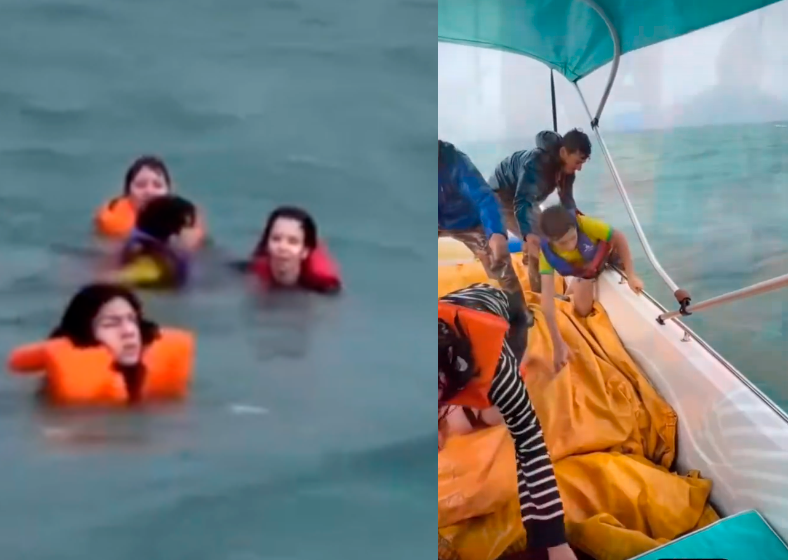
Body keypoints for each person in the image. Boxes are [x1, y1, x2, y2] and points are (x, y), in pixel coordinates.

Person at [439, 283, 576, 560]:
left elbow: (530, 442)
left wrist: (554, 541)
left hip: (510, 318)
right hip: (452, 316)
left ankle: (482, 396)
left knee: (493, 416)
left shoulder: (496, 368)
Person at [6, 283, 194, 406]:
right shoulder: (58, 394)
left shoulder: (155, 378)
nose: (128, 331)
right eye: (111, 324)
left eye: (132, 320)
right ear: (85, 334)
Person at [538, 205, 643, 372]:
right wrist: (557, 345)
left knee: (584, 305)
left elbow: (619, 237)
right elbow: (546, 302)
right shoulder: (546, 253)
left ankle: (574, 289)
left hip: (604, 256)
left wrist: (631, 275)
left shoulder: (586, 224)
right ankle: (575, 288)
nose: (570, 244)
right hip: (584, 271)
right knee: (583, 310)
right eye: (563, 243)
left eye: (572, 238)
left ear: (575, 227)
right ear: (551, 241)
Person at [489, 129, 592, 293]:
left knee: (548, 231)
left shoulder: (568, 170)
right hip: (501, 196)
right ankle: (539, 293)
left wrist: (577, 223)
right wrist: (527, 234)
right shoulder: (536, 163)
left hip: (528, 198)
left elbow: (567, 200)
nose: (579, 168)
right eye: (578, 162)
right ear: (564, 152)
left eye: (582, 163)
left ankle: (528, 257)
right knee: (537, 240)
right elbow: (521, 202)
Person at [439, 140, 529, 317]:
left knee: (498, 262)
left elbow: (484, 198)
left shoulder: (456, 161)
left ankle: (519, 313)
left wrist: (496, 232)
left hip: (467, 221)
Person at [93, 155, 206, 244]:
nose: (149, 192)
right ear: (127, 192)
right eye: (141, 185)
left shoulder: (184, 219)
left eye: (157, 185)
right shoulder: (113, 225)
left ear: (168, 191)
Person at [234, 206, 341, 293]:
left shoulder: (324, 288)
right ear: (266, 244)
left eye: (292, 242)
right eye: (276, 239)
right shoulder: (250, 273)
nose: (282, 247)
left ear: (305, 251)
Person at [103, 195, 199, 289]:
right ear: (174, 233)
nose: (196, 231)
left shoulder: (165, 255)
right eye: (190, 226)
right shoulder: (153, 269)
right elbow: (110, 281)